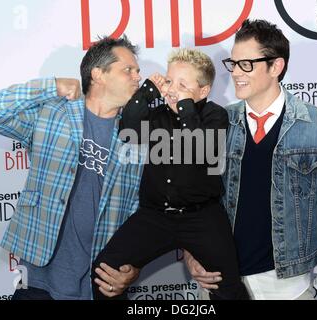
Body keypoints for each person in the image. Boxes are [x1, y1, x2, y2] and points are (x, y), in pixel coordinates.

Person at [184, 19, 317, 300]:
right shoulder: (218, 122)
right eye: (233, 64)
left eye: (247, 64)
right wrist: (191, 252)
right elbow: (194, 199)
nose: (235, 73)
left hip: (289, 288)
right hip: (222, 282)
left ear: (276, 67)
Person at [0, 36, 145, 300]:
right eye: (128, 70)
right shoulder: (53, 114)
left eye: (137, 70)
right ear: (98, 74)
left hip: (100, 283)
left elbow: (139, 211)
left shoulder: (137, 135)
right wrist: (49, 87)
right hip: (40, 281)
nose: (137, 77)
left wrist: (134, 266)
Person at [91, 48, 249, 300]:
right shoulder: (157, 116)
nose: (173, 89)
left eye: (183, 84)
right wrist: (148, 91)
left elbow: (201, 152)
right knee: (104, 271)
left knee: (227, 288)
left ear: (204, 91)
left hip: (202, 217)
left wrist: (185, 106)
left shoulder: (214, 115)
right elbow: (127, 129)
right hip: (154, 216)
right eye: (169, 81)